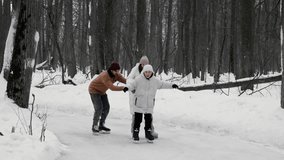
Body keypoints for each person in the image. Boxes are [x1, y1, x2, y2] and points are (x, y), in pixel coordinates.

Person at [125, 64, 178, 142]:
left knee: (148, 121)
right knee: (137, 120)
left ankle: (148, 133)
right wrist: (127, 88)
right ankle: (135, 133)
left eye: (149, 72)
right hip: (139, 104)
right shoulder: (138, 79)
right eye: (146, 72)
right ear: (143, 72)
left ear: (152, 72)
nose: (147, 73)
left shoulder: (155, 80)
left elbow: (163, 84)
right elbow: (131, 85)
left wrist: (172, 85)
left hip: (149, 105)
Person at [89, 62, 127, 135]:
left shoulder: (117, 75)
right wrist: (123, 88)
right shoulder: (105, 75)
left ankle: (101, 125)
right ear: (112, 70)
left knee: (106, 107)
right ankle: (95, 126)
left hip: (102, 91)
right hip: (94, 90)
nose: (118, 73)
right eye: (116, 71)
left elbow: (125, 81)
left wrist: (133, 84)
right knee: (99, 108)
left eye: (118, 71)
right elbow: (112, 87)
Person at [127, 56, 158, 139]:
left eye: (146, 64)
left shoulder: (149, 70)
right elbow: (129, 79)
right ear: (140, 63)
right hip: (136, 95)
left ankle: (151, 131)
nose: (144, 65)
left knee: (148, 114)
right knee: (136, 115)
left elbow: (155, 81)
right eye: (142, 64)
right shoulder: (135, 69)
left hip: (147, 96)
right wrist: (132, 88)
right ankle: (134, 130)